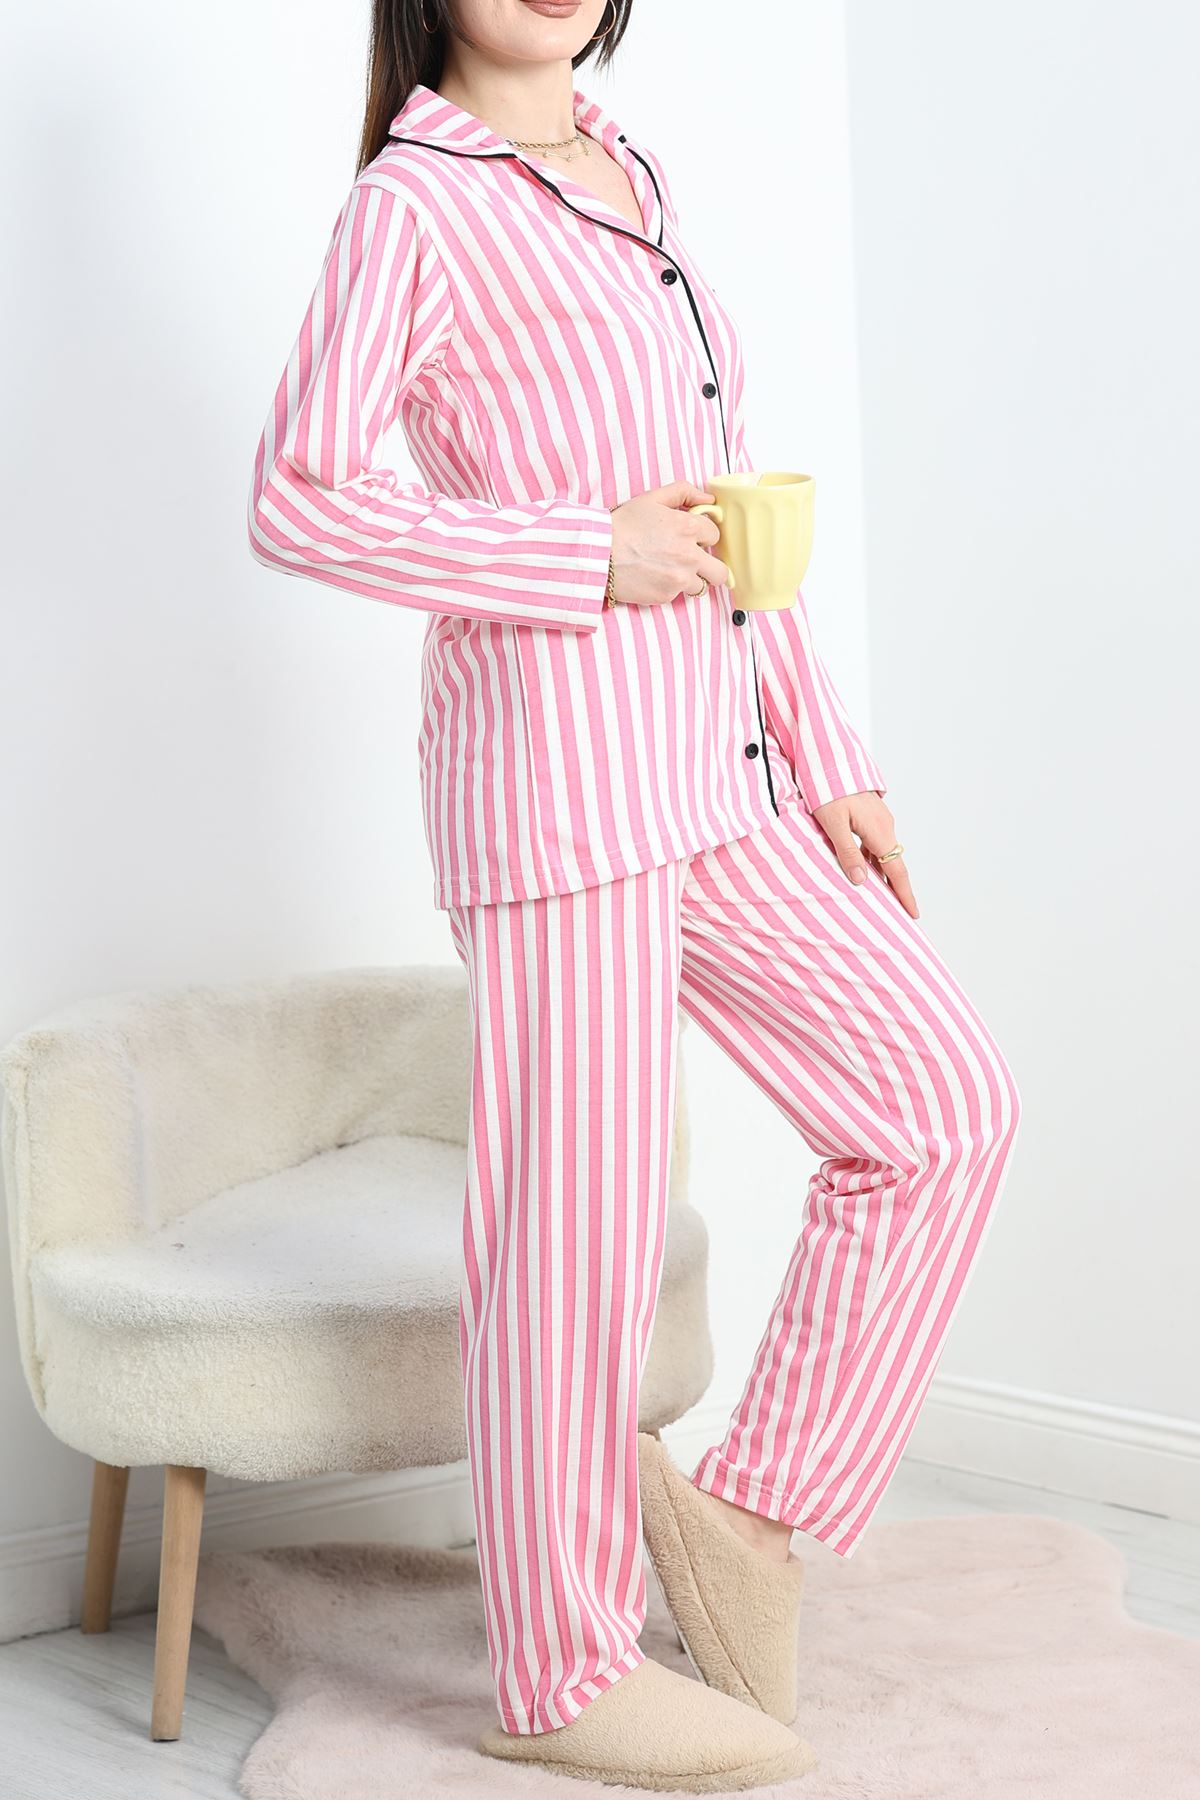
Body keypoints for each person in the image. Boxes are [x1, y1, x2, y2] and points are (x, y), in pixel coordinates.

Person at [247, 2, 1023, 1790]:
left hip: (722, 773)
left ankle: (744, 1519)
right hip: (556, 793)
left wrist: (828, 751)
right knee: (572, 1249)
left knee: (941, 1106)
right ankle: (560, 1669)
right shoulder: (413, 205)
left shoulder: (625, 171)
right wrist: (581, 551)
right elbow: (300, 498)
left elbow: (728, 509)